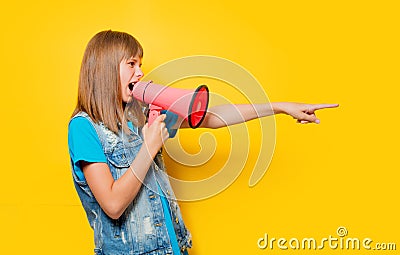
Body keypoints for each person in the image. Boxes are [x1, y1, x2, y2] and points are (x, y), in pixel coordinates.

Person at [68, 30, 338, 255]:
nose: (140, 72)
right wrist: (150, 146)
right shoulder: (83, 128)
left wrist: (279, 107)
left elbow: (211, 118)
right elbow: (113, 205)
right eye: (131, 64)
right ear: (104, 68)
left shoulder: (140, 115)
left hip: (175, 248)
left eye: (141, 64)